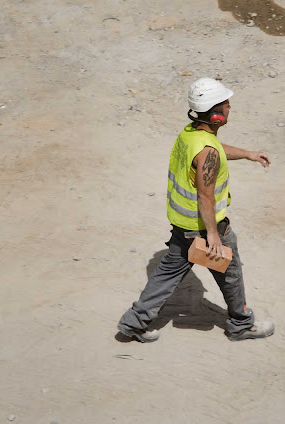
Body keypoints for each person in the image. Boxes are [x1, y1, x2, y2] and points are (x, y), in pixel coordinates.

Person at [117, 77, 274, 342]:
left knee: (167, 274)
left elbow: (214, 150)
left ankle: (134, 323)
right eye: (225, 104)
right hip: (205, 228)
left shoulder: (191, 134)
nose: (230, 107)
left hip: (183, 225)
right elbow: (205, 195)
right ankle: (241, 325)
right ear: (215, 115)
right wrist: (213, 236)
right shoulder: (207, 151)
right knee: (230, 273)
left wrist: (248, 154)